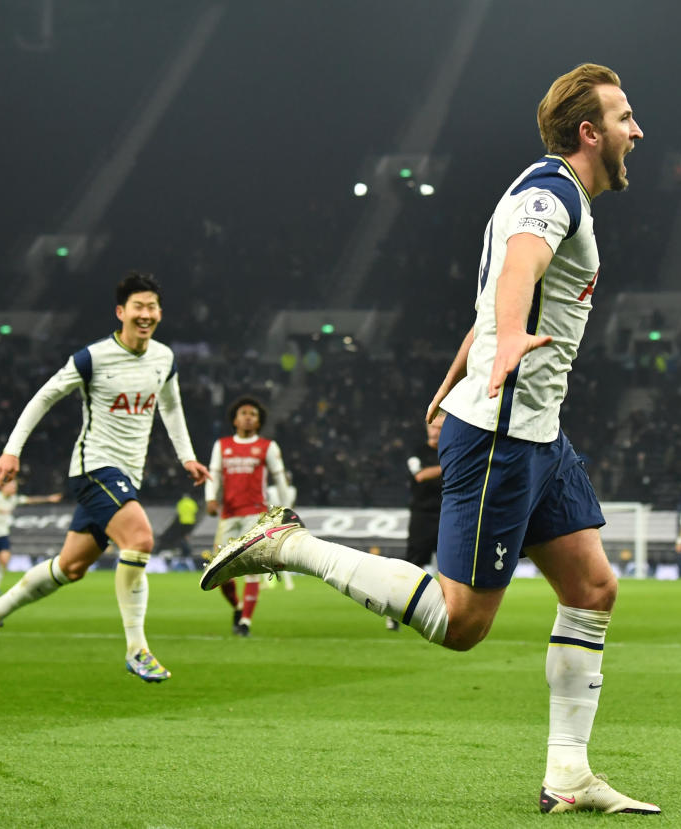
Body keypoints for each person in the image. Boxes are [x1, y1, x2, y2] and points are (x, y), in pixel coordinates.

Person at [202, 64, 657, 814]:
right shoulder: (550, 196)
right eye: (625, 118)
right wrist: (509, 337)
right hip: (504, 435)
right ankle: (291, 545)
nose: (636, 132)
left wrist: (456, 372)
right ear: (590, 132)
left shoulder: (556, 192)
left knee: (593, 587)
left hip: (540, 433)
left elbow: (493, 296)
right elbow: (516, 270)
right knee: (461, 622)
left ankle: (570, 774)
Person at [0, 271, 210, 681]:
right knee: (140, 539)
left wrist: (187, 457)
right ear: (121, 312)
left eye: (152, 307)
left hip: (127, 476)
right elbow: (45, 395)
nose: (146, 314)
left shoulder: (164, 358)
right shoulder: (93, 358)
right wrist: (12, 450)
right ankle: (138, 649)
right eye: (138, 306)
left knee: (71, 567)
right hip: (94, 468)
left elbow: (171, 408)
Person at [204, 395, 295, 637]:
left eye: (253, 414)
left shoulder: (267, 446)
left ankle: (245, 622)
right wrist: (210, 498)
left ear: (258, 422)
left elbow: (280, 479)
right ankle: (237, 607)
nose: (247, 417)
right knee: (218, 570)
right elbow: (213, 474)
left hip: (255, 515)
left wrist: (286, 510)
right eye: (243, 413)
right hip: (229, 515)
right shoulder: (222, 445)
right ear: (234, 419)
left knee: (253, 569)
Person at [387, 412, 445, 632]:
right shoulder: (417, 453)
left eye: (440, 427)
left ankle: (445, 616)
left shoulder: (450, 450)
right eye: (433, 426)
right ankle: (394, 612)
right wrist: (450, 465)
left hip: (447, 516)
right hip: (422, 517)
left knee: (450, 569)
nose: (435, 431)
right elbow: (419, 475)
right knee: (412, 568)